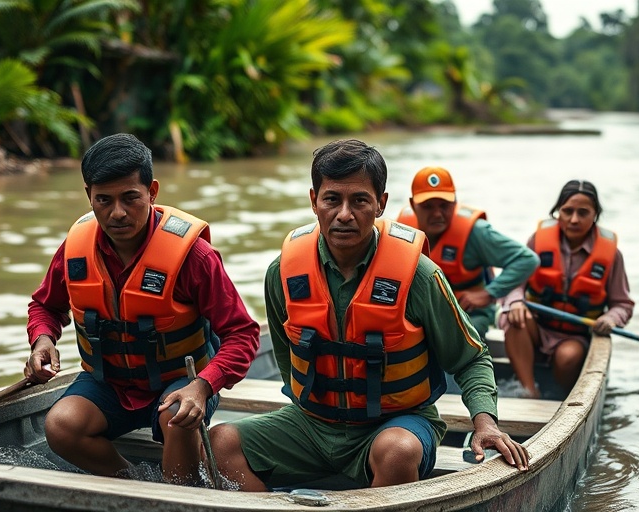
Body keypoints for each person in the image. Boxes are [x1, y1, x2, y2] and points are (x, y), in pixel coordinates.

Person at [207, 139, 529, 491]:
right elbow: (287, 356)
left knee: (396, 451)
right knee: (221, 442)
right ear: (314, 201)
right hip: (313, 423)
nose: (345, 214)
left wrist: (485, 423)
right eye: (332, 199)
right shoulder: (282, 272)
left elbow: (471, 358)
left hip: (394, 423)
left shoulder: (419, 275)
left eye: (359, 200)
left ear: (380, 204)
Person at [23, 133, 260, 485]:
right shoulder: (74, 250)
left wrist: (203, 386)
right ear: (89, 195)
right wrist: (42, 340)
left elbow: (243, 334)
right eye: (103, 200)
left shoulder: (195, 257)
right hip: (109, 384)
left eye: (130, 198)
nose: (117, 213)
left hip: (180, 384)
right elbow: (45, 305)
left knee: (177, 415)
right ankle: (135, 483)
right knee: (60, 425)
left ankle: (184, 495)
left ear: (152, 192)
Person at [499, 180, 634, 398]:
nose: (574, 219)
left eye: (583, 213)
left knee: (567, 357)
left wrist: (611, 318)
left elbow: (623, 304)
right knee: (514, 318)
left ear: (595, 215)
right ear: (558, 212)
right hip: (537, 327)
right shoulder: (537, 241)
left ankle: (560, 395)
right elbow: (514, 283)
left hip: (574, 336)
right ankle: (530, 391)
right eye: (567, 211)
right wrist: (515, 301)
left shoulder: (612, 255)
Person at [396, 166, 540, 341]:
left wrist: (488, 293)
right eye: (427, 207)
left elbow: (527, 259)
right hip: (421, 315)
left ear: (455, 203)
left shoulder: (476, 232)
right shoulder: (401, 230)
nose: (437, 214)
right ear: (412, 205)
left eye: (444, 206)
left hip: (469, 314)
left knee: (448, 344)